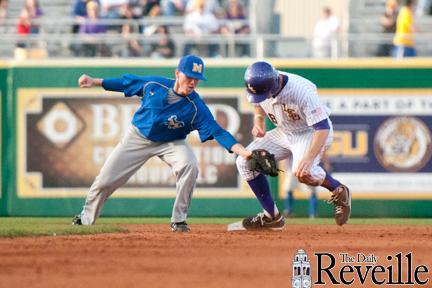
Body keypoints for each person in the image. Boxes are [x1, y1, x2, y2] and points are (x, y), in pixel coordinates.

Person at [72, 55, 252, 232]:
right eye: (189, 77)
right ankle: (85, 219)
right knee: (105, 180)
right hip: (138, 137)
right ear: (177, 73)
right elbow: (126, 83)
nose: (192, 83)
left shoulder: (196, 106)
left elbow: (218, 131)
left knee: (189, 165)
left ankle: (179, 220)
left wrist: (245, 153)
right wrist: (94, 81)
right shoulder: (154, 85)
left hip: (172, 142)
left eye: (196, 79)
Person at [236, 61, 351, 230]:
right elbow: (257, 103)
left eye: (264, 94)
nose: (261, 98)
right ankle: (272, 217)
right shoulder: (258, 83)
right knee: (244, 162)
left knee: (304, 172)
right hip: (284, 132)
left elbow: (322, 128)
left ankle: (338, 190)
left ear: (273, 85)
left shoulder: (301, 90)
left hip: (311, 132)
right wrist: (259, 120)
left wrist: (308, 158)